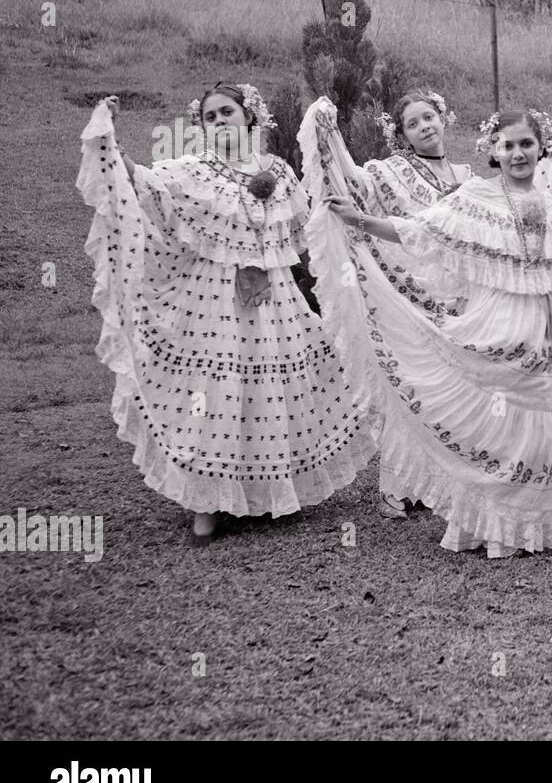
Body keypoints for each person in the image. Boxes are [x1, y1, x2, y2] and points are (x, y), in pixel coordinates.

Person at [300, 101, 552, 557]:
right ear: (494, 149)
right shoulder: (475, 198)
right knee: (500, 426)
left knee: (541, 426)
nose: (517, 154)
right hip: (498, 325)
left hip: (546, 333)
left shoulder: (550, 208)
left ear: (541, 148)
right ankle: (489, 525)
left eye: (526, 144)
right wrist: (360, 221)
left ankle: (534, 525)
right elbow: (423, 232)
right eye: (508, 145)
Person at [76, 84, 376, 546]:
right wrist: (108, 141)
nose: (219, 122)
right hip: (213, 300)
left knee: (271, 389)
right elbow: (147, 186)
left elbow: (299, 225)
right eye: (210, 117)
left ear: (249, 118)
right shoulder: (194, 170)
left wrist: (336, 204)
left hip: (274, 300)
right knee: (216, 391)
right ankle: (205, 504)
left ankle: (265, 493)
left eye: (227, 112)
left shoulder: (276, 170)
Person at [333, 89, 473, 519]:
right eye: (412, 124)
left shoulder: (468, 174)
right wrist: (330, 139)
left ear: (443, 117)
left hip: (463, 291)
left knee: (460, 384)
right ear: (403, 135)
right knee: (414, 380)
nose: (424, 127)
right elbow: (356, 185)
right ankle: (401, 482)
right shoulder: (389, 171)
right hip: (413, 287)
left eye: (428, 117)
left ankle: (452, 478)